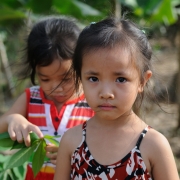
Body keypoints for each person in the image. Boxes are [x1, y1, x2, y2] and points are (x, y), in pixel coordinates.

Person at [54, 16, 179, 180]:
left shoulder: (154, 145)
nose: (106, 93)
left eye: (120, 79)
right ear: (80, 78)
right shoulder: (72, 141)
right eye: (93, 78)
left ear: (142, 81)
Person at [0, 16, 94, 180]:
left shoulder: (92, 102)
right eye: (45, 79)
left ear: (82, 65)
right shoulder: (31, 97)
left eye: (66, 78)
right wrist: (12, 119)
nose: (56, 87)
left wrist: (77, 157)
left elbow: (108, 144)